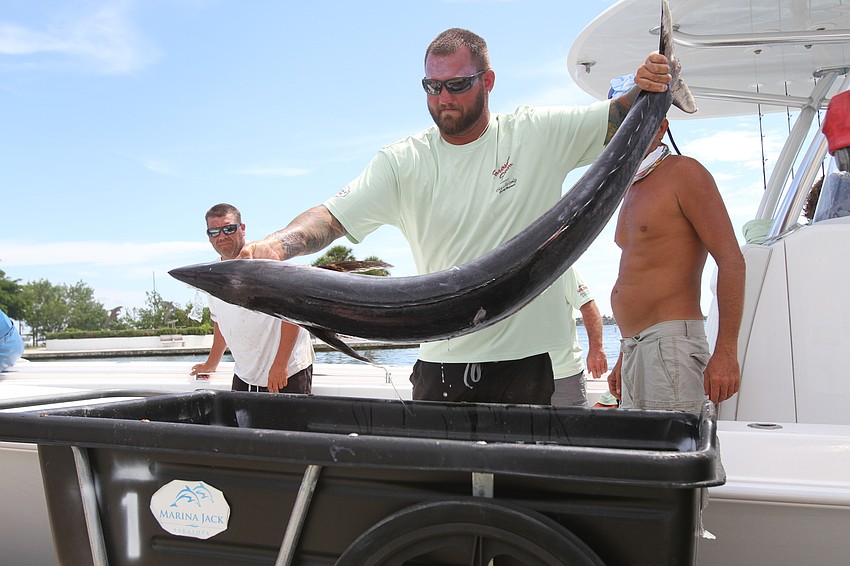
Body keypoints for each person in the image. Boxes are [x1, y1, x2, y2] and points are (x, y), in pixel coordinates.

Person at [240, 28, 673, 404]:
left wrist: (650, 86)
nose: (443, 98)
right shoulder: (401, 161)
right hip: (441, 364)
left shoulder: (534, 132)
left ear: (488, 81)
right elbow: (331, 218)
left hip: (534, 364)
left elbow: (620, 118)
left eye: (457, 84)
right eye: (432, 86)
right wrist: (278, 245)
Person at [607, 118, 745, 412]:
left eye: (636, 121)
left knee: (671, 443)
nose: (626, 131)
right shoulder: (630, 187)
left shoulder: (684, 173)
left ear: (661, 127)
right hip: (634, 347)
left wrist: (726, 351)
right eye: (621, 123)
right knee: (635, 443)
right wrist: (624, 353)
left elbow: (731, 260)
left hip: (670, 347)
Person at [190, 203, 315, 393]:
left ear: (242, 228)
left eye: (228, 229)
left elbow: (293, 316)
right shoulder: (213, 274)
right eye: (214, 231)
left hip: (287, 371)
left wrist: (280, 365)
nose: (221, 236)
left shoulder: (267, 261)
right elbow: (221, 323)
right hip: (245, 374)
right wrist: (211, 363)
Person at [549, 268, 607, 407]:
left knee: (574, 421)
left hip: (564, 372)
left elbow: (588, 306)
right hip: (519, 373)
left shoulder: (562, 268)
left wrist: (596, 349)